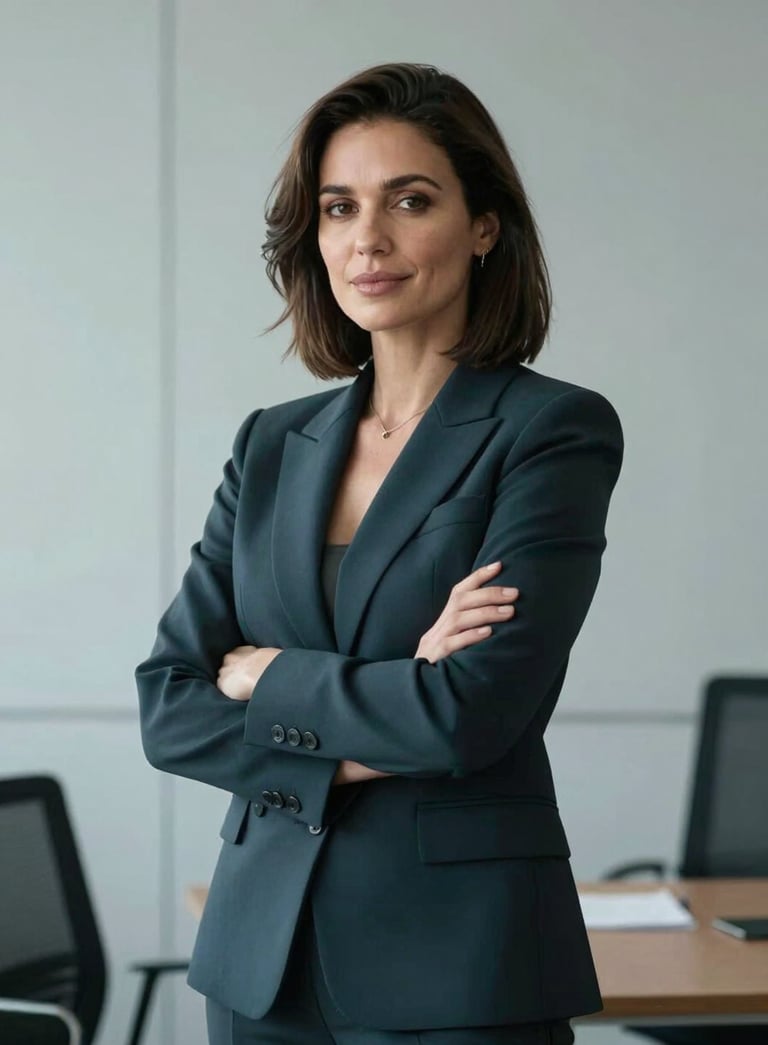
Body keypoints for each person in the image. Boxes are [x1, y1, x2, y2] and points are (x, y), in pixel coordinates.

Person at [136, 62, 623, 1045]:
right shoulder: (272, 441)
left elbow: (468, 716)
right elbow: (170, 707)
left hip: (456, 963)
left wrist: (269, 674)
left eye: (411, 199)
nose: (370, 238)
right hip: (261, 960)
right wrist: (392, 686)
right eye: (339, 207)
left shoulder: (550, 431)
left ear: (483, 224)